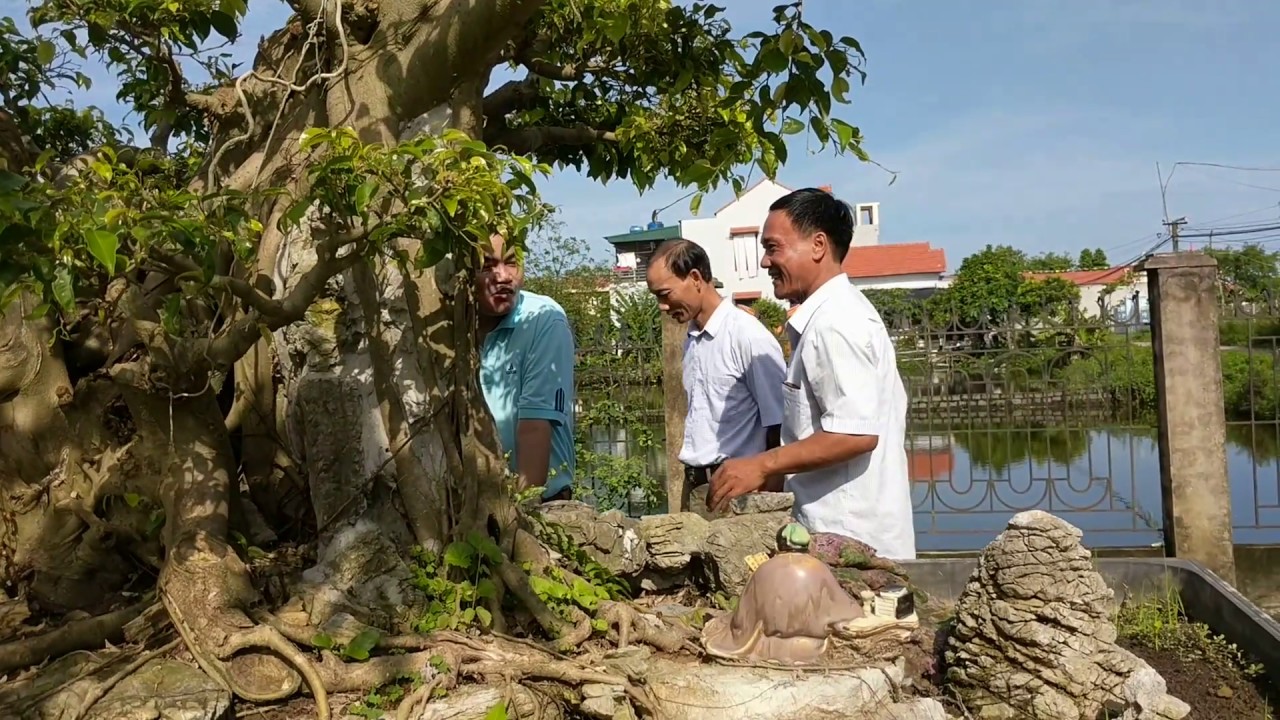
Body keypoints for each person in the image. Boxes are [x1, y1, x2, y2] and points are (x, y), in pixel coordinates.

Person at [707, 188, 916, 560]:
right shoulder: (831, 316)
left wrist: (762, 464)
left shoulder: (836, 323)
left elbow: (854, 433)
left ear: (818, 245)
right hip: (841, 537)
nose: (765, 262)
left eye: (773, 248)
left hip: (853, 542)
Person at [645, 239, 786, 497]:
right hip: (698, 484)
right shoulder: (692, 339)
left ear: (696, 278)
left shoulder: (747, 336)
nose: (662, 306)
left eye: (665, 294)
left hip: (738, 490)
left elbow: (779, 421)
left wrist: (769, 492)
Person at [476, 232, 577, 501]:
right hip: (473, 504)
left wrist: (522, 513)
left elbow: (535, 425)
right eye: (488, 266)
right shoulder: (448, 326)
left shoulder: (543, 319)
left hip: (537, 503)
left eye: (511, 263)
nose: (503, 276)